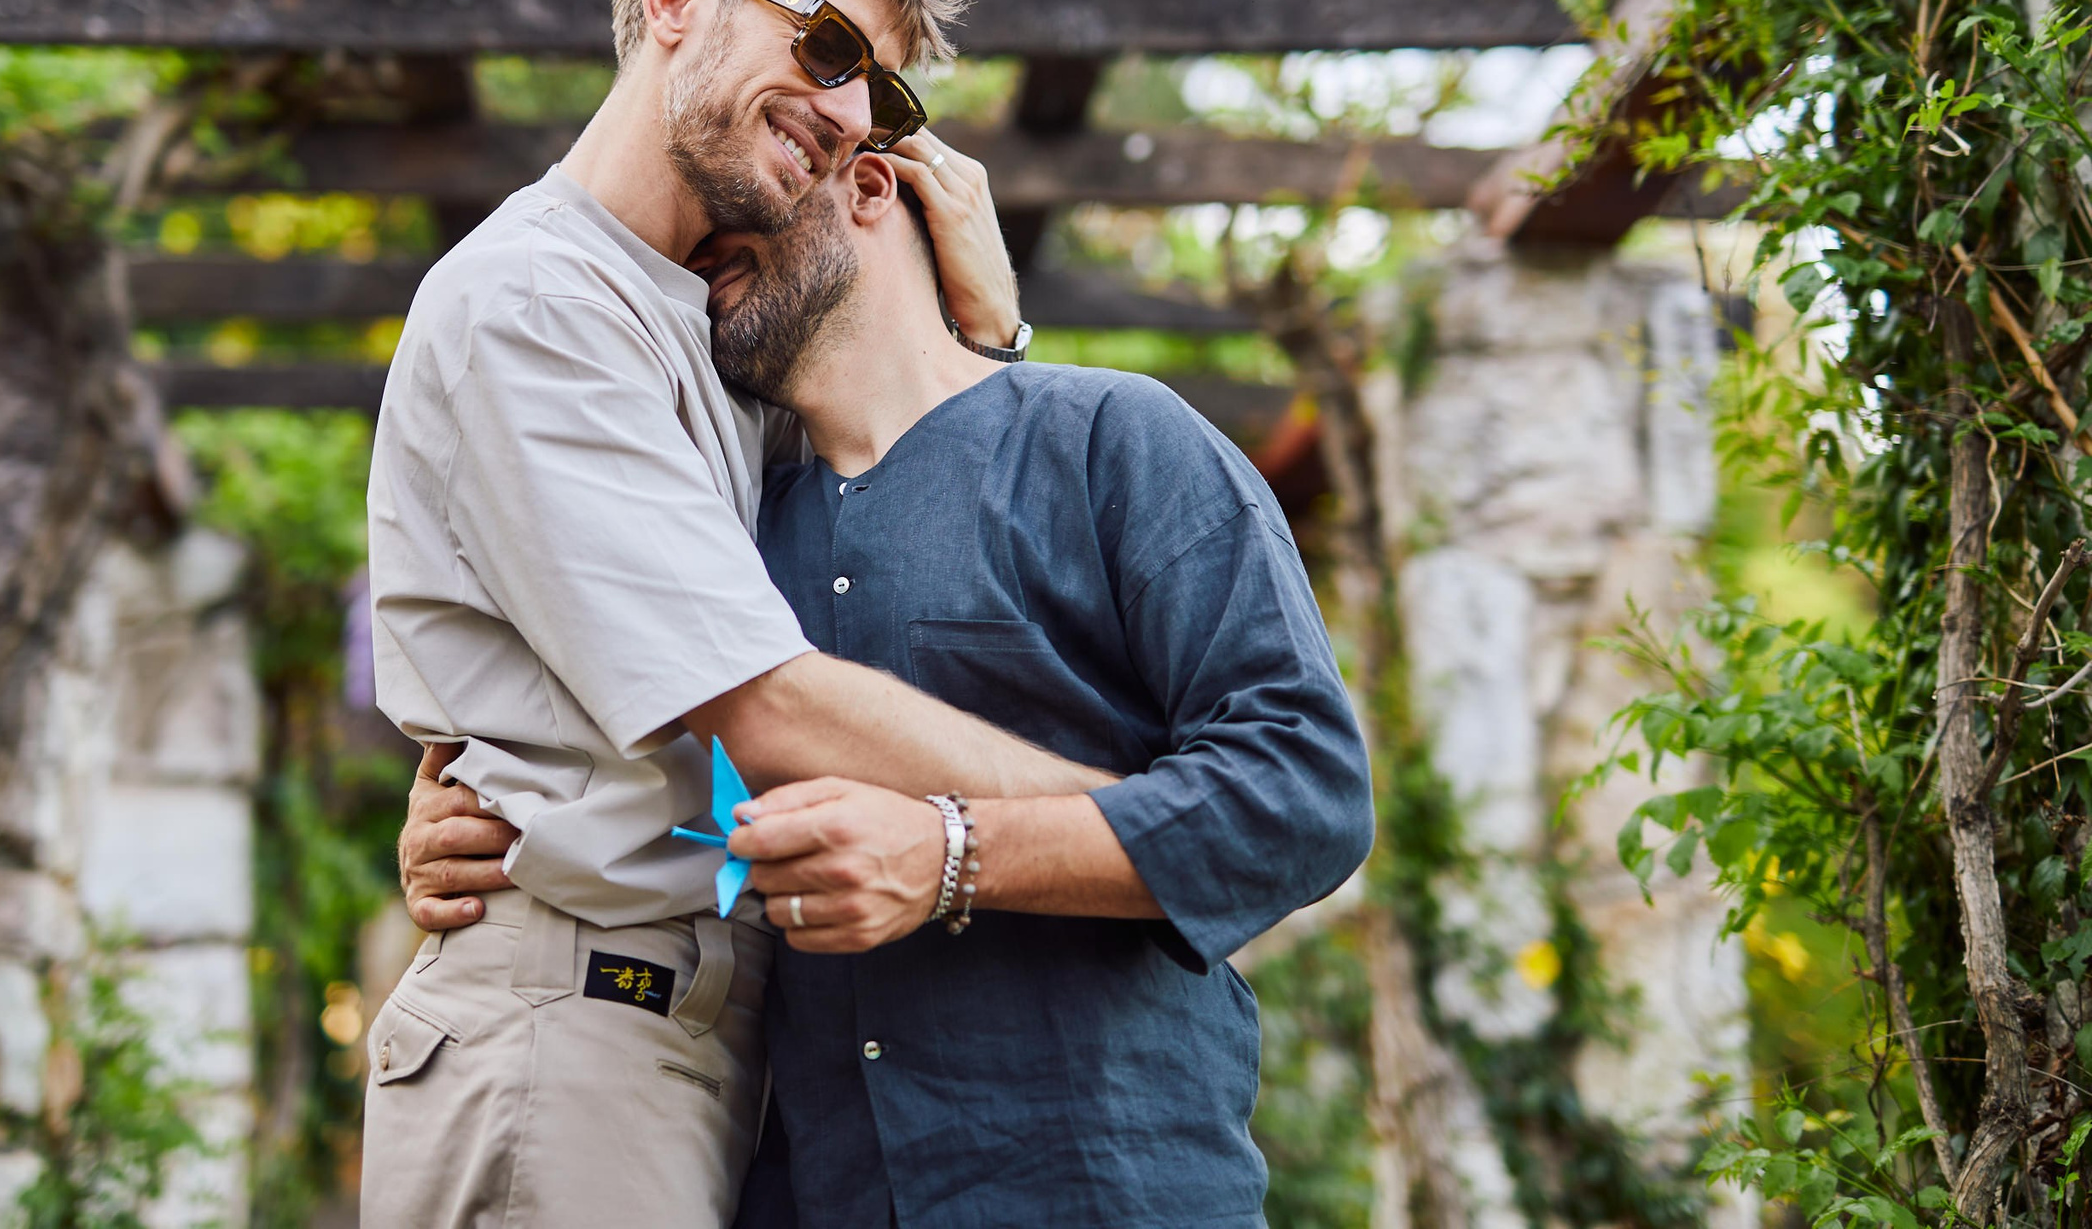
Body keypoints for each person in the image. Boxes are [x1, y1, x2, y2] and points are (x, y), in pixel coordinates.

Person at [406, 151, 1374, 1229]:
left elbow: (1304, 797)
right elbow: (656, 796)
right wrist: (494, 819)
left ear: (868, 187)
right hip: (818, 1191)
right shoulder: (720, 541)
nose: (698, 245)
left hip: (1109, 1184)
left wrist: (951, 853)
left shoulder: (1116, 440)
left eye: (741, 211)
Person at [360, 0, 1107, 1229]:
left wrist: (989, 335)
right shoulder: (532, 303)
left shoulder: (719, 345)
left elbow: (899, 551)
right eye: (825, 47)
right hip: (577, 1034)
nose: (843, 116)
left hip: (706, 1042)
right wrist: (1121, 830)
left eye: (879, 95)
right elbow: (758, 697)